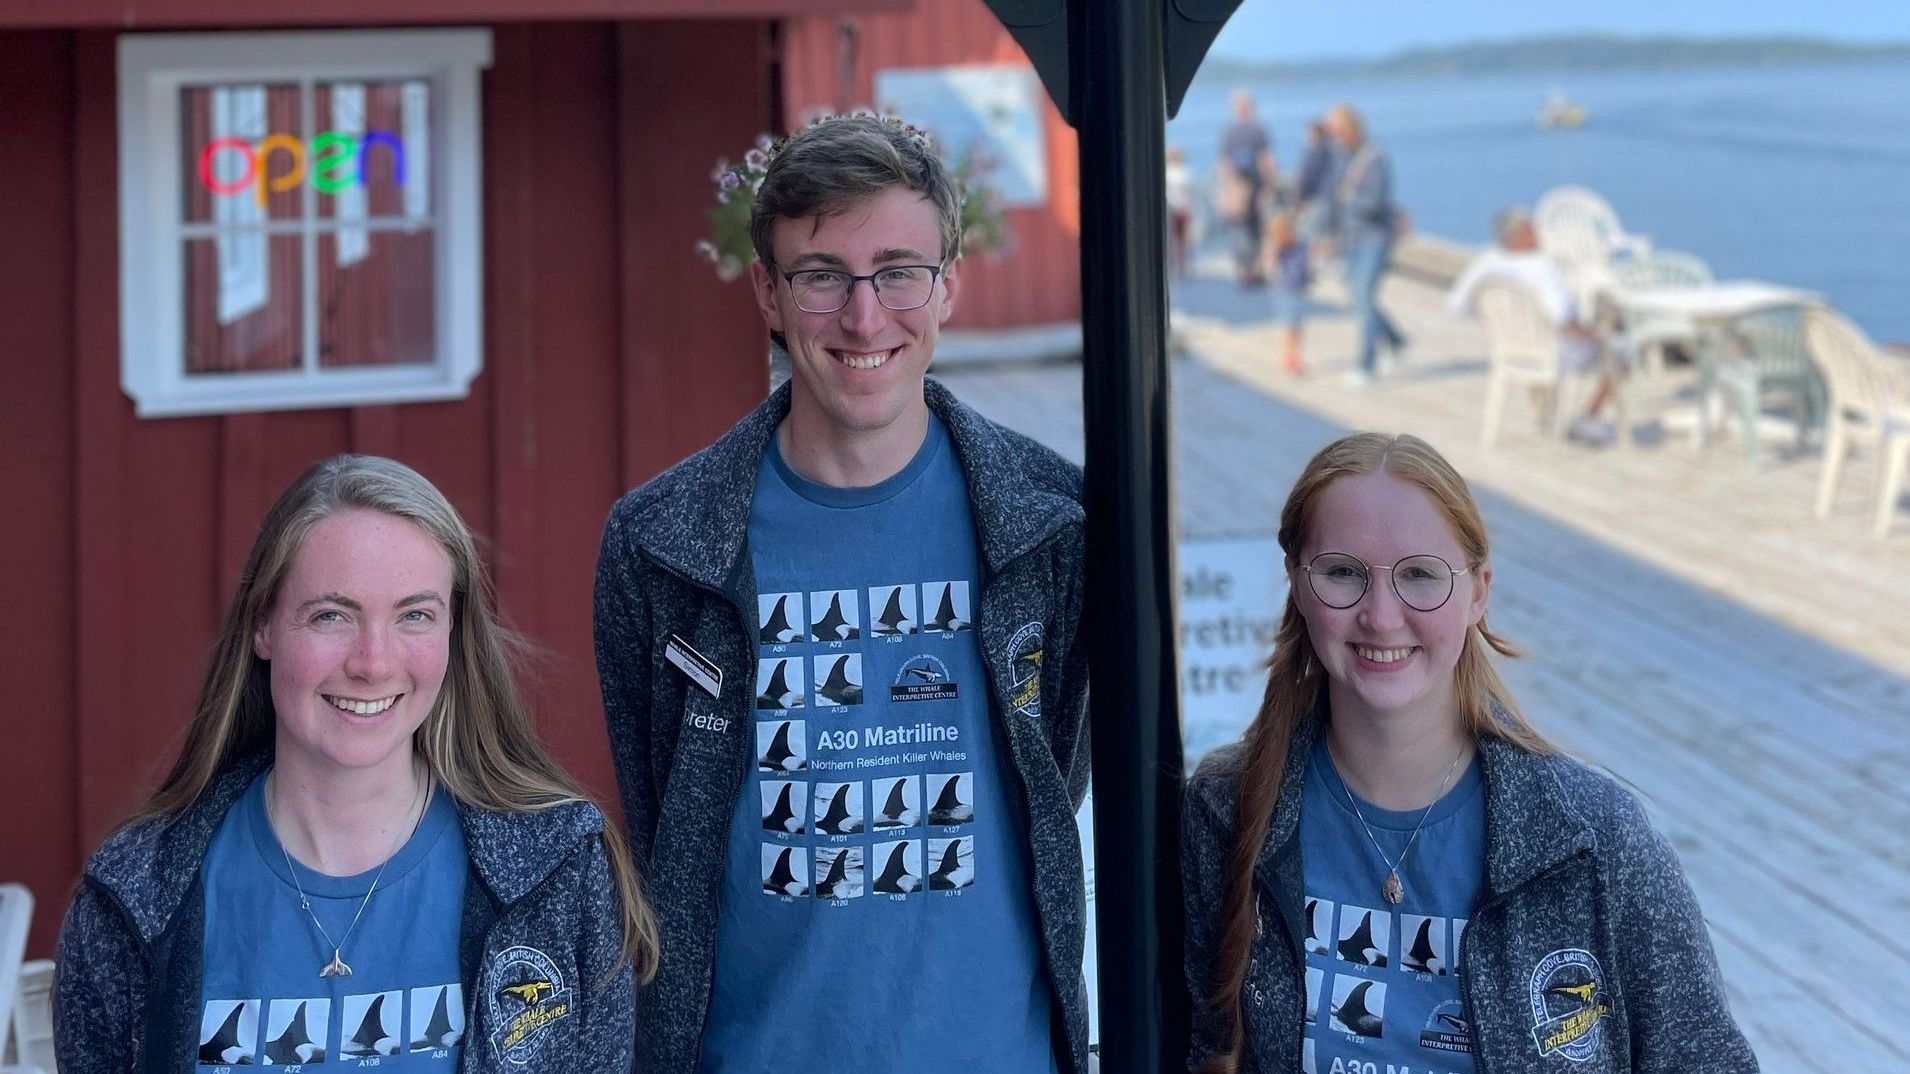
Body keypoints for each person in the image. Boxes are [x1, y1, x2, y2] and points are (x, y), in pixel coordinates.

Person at [593, 113, 1092, 1074]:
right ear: (769, 294)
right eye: (823, 277)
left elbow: (1052, 776)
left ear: (948, 286)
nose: (866, 318)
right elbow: (667, 828)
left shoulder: (1052, 526)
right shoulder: (661, 547)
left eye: (899, 271)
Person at [54, 455, 654, 1073]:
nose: (373, 662)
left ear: (454, 630)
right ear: (264, 626)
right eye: (331, 616)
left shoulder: (558, 871)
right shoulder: (134, 899)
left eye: (414, 615)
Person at [1181, 433, 1758, 1074]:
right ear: (1296, 582)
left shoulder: (1593, 842)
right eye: (1343, 572)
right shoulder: (1225, 814)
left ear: (1478, 592)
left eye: (1421, 575)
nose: (1380, 615)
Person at [1448, 205, 1625, 444]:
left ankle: (1544, 417)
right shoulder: (1541, 267)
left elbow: (1456, 306)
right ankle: (1588, 418)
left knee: (1564, 344)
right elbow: (1561, 317)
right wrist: (1592, 334)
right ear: (1519, 236)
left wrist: (1494, 317)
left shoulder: (1485, 263)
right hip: (1553, 353)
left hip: (1508, 350)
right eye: (1532, 229)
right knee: (1622, 352)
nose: (1539, 234)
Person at [1323, 104, 1404, 386]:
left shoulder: (1375, 157)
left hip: (1373, 239)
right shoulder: (1339, 157)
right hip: (1349, 238)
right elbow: (1332, 197)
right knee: (1359, 298)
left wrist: (1349, 199)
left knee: (1364, 300)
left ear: (1351, 128)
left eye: (1338, 131)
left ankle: (1366, 364)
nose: (1335, 138)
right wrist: (1329, 235)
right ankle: (1395, 340)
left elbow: (1376, 202)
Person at [1218, 90, 1279, 286]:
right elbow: (1265, 161)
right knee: (1255, 229)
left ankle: (1245, 270)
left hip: (1236, 188)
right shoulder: (1258, 130)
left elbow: (1225, 164)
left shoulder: (1230, 131)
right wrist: (1270, 187)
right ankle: (1255, 269)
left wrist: (1226, 189)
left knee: (1239, 229)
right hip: (1255, 186)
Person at [1264, 211, 1310, 376]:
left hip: (1294, 288)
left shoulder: (1300, 245)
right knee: (1289, 325)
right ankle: (1290, 355)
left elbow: (1303, 267)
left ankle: (1292, 355)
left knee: (1294, 325)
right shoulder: (1281, 248)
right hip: (1284, 289)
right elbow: (1269, 265)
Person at [1166, 144, 1196, 280]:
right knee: (1183, 241)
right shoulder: (1186, 172)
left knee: (1172, 239)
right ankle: (1182, 267)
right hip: (1183, 209)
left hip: (1171, 209)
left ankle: (1173, 266)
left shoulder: (1166, 173)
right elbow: (1191, 194)